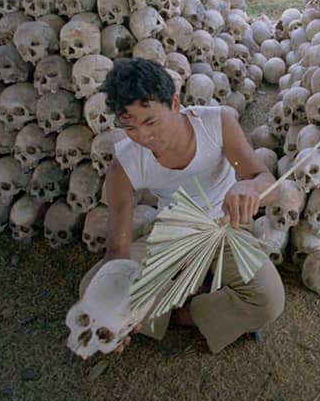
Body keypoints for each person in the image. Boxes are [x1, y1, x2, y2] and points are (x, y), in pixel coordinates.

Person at [79, 57, 285, 354]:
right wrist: (116, 303)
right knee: (92, 290)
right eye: (130, 127)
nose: (144, 136)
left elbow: (266, 182)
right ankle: (174, 308)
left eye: (151, 121)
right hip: (171, 233)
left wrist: (251, 187)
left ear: (175, 104)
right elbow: (117, 251)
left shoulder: (217, 124)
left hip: (225, 228)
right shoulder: (124, 164)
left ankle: (187, 312)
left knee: (268, 299)